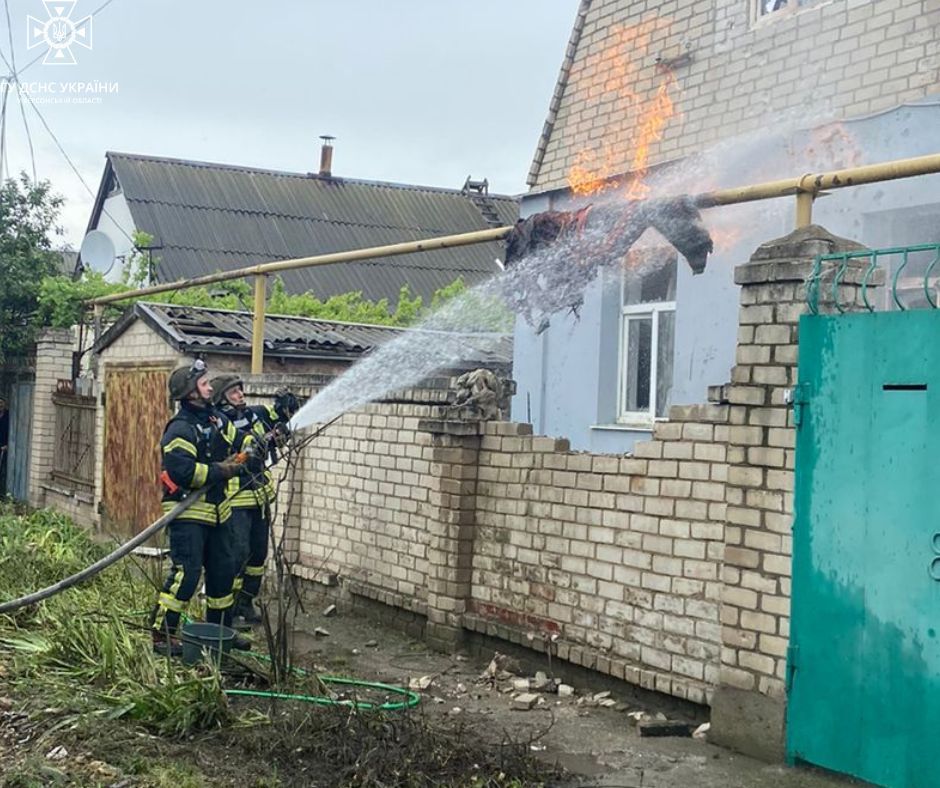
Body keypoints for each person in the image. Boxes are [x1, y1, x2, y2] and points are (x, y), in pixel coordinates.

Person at [150, 359, 254, 656]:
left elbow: (239, 438)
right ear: (191, 392)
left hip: (219, 510)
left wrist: (255, 445)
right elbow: (182, 472)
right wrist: (220, 471)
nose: (210, 386)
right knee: (187, 574)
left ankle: (220, 633)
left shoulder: (215, 420)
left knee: (223, 574)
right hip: (188, 513)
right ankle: (162, 635)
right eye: (204, 383)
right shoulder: (179, 429)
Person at [209, 375, 298, 628]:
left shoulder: (256, 414)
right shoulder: (218, 422)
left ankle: (247, 602)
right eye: (234, 392)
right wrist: (258, 442)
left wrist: (285, 408)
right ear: (221, 398)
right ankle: (232, 610)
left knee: (258, 556)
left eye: (240, 390)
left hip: (259, 497)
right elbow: (239, 446)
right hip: (235, 498)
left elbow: (279, 418)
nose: (240, 394)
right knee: (237, 555)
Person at [0, 397, 9, 497]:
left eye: (2, 402)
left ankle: (3, 493)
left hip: (5, 446)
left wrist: (7, 445)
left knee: (3, 470)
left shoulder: (8, 415)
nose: (0, 405)